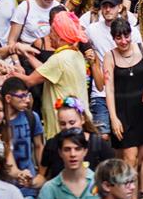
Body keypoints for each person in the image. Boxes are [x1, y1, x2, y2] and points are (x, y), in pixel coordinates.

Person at [13, 11, 90, 139]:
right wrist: (27, 55)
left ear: (60, 37)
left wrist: (11, 71)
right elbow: (45, 71)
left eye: (52, 32)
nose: (50, 36)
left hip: (62, 128)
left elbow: (30, 81)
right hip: (76, 123)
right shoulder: (75, 54)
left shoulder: (59, 59)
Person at [103, 18, 143, 178]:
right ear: (113, 38)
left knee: (140, 162)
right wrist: (113, 118)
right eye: (119, 38)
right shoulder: (109, 56)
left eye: (126, 36)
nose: (123, 41)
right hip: (123, 112)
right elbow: (109, 88)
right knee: (129, 160)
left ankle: (139, 197)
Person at [35, 129, 98, 199]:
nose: (72, 154)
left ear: (85, 151)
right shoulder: (50, 189)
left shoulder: (100, 183)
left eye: (77, 149)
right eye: (67, 150)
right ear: (60, 152)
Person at [38, 97, 114, 180]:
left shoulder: (98, 144)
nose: (68, 127)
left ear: (82, 119)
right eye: (63, 124)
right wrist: (32, 182)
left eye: (72, 123)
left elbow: (113, 174)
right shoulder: (52, 144)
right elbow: (42, 176)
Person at [2, 77, 45, 199]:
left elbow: (39, 146)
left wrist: (41, 174)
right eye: (21, 96)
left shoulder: (31, 117)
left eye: (27, 95)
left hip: (28, 187)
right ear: (8, 98)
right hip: (5, 187)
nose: (26, 100)